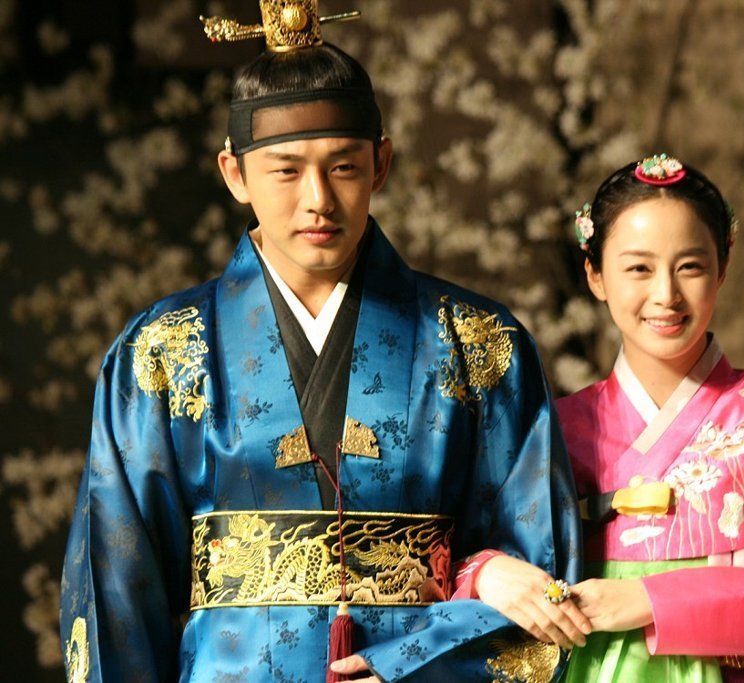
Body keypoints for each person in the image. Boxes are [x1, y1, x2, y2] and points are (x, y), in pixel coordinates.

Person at [58, 4, 581, 682]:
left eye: (343, 167)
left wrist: (406, 665)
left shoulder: (479, 345)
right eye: (285, 170)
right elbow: (114, 592)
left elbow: (542, 572)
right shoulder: (163, 352)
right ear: (235, 174)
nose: (318, 200)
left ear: (382, 164)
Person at [551, 154, 744, 681]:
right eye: (638, 268)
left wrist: (648, 599)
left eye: (691, 267)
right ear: (595, 275)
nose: (666, 295)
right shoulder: (557, 430)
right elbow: (486, 565)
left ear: (722, 268)